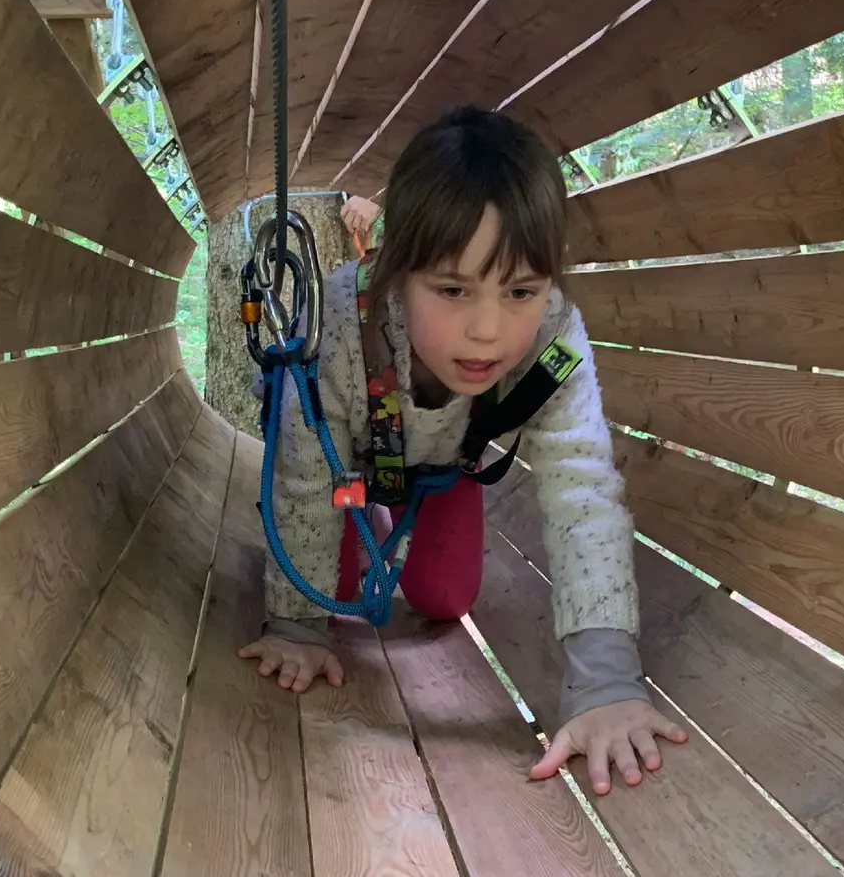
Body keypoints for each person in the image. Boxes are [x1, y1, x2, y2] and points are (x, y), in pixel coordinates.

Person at [237, 106, 686, 795]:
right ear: (396, 270)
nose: (487, 330)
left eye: (520, 290)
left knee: (445, 599)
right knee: (335, 591)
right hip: (344, 470)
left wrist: (606, 679)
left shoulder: (553, 338)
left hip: (445, 468)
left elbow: (583, 487)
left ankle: (396, 525)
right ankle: (361, 541)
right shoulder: (336, 317)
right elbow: (301, 467)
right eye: (452, 289)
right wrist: (295, 623)